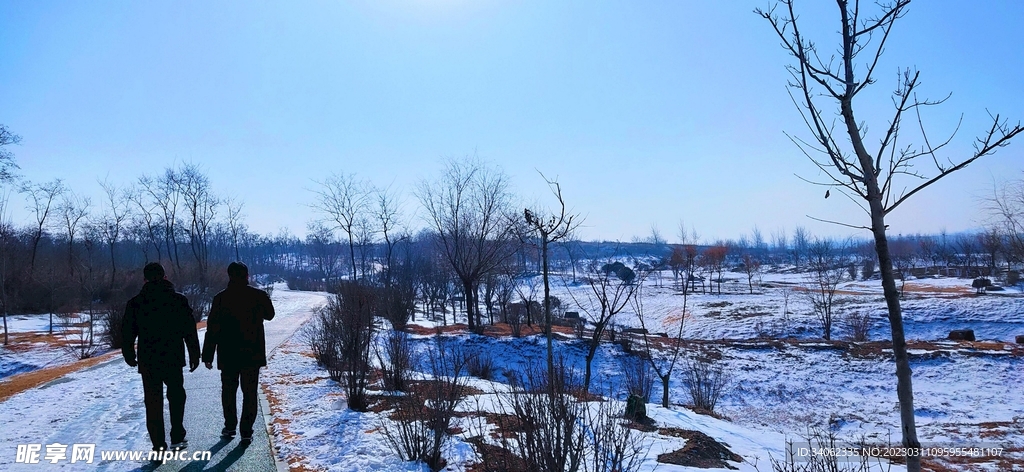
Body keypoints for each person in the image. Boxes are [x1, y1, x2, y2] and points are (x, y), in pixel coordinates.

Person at [122, 262, 201, 452]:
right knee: (176, 396)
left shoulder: (136, 303)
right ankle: (177, 435)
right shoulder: (178, 300)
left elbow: (127, 332)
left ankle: (158, 444)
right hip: (173, 356)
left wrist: (129, 354)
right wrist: (194, 354)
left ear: (144, 279)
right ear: (165, 277)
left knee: (152, 401)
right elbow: (189, 329)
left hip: (148, 359)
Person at [202, 261, 275, 444]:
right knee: (249, 392)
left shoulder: (220, 298)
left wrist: (208, 355)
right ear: (247, 276)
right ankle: (246, 430)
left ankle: (229, 426)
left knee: (228, 391)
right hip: (252, 352)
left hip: (228, 353)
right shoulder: (258, 296)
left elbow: (212, 329)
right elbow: (270, 314)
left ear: (229, 275)